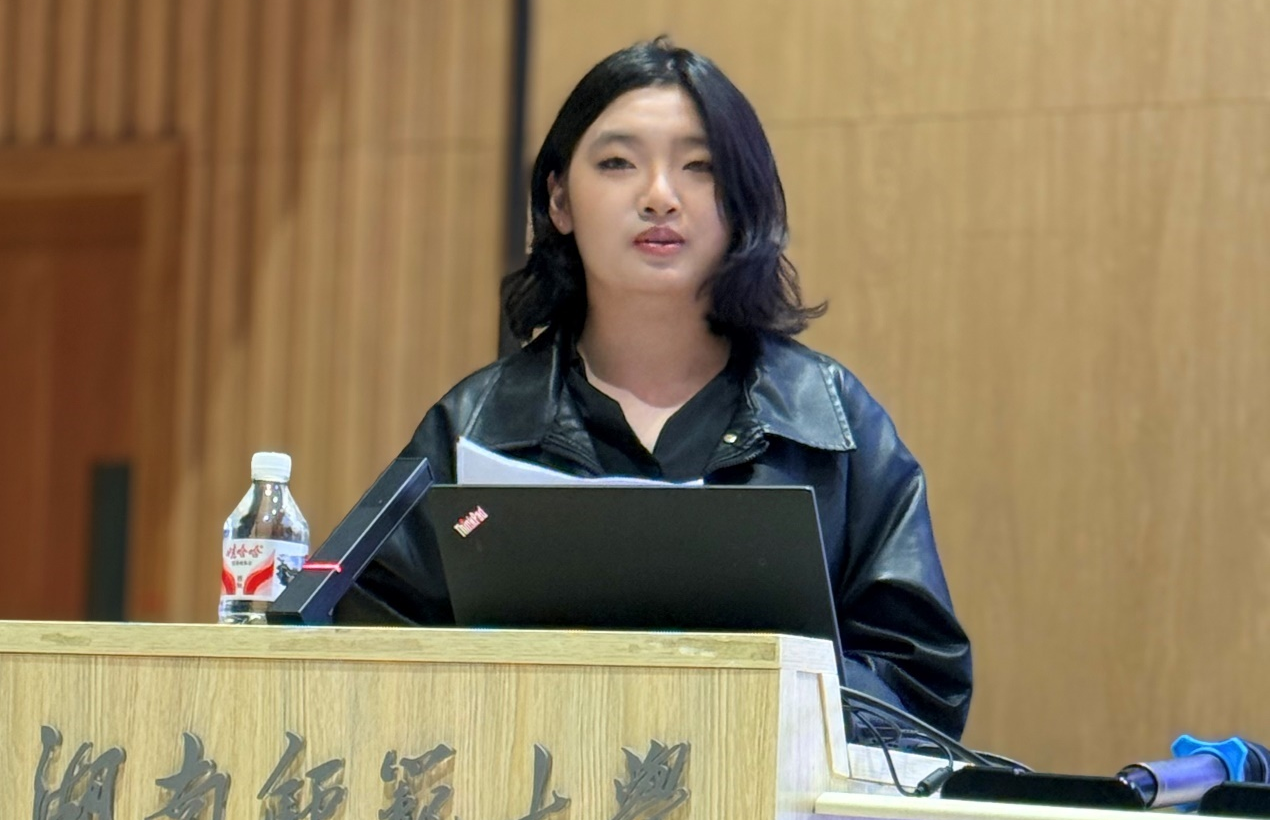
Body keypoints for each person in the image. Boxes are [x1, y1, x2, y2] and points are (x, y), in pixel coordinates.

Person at [335, 37, 973, 738]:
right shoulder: (476, 424)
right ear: (559, 199)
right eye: (618, 163)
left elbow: (921, 685)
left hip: (768, 800)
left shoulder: (833, 421)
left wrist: (755, 695)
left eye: (700, 167)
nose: (660, 197)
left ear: (741, 202)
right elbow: (363, 646)